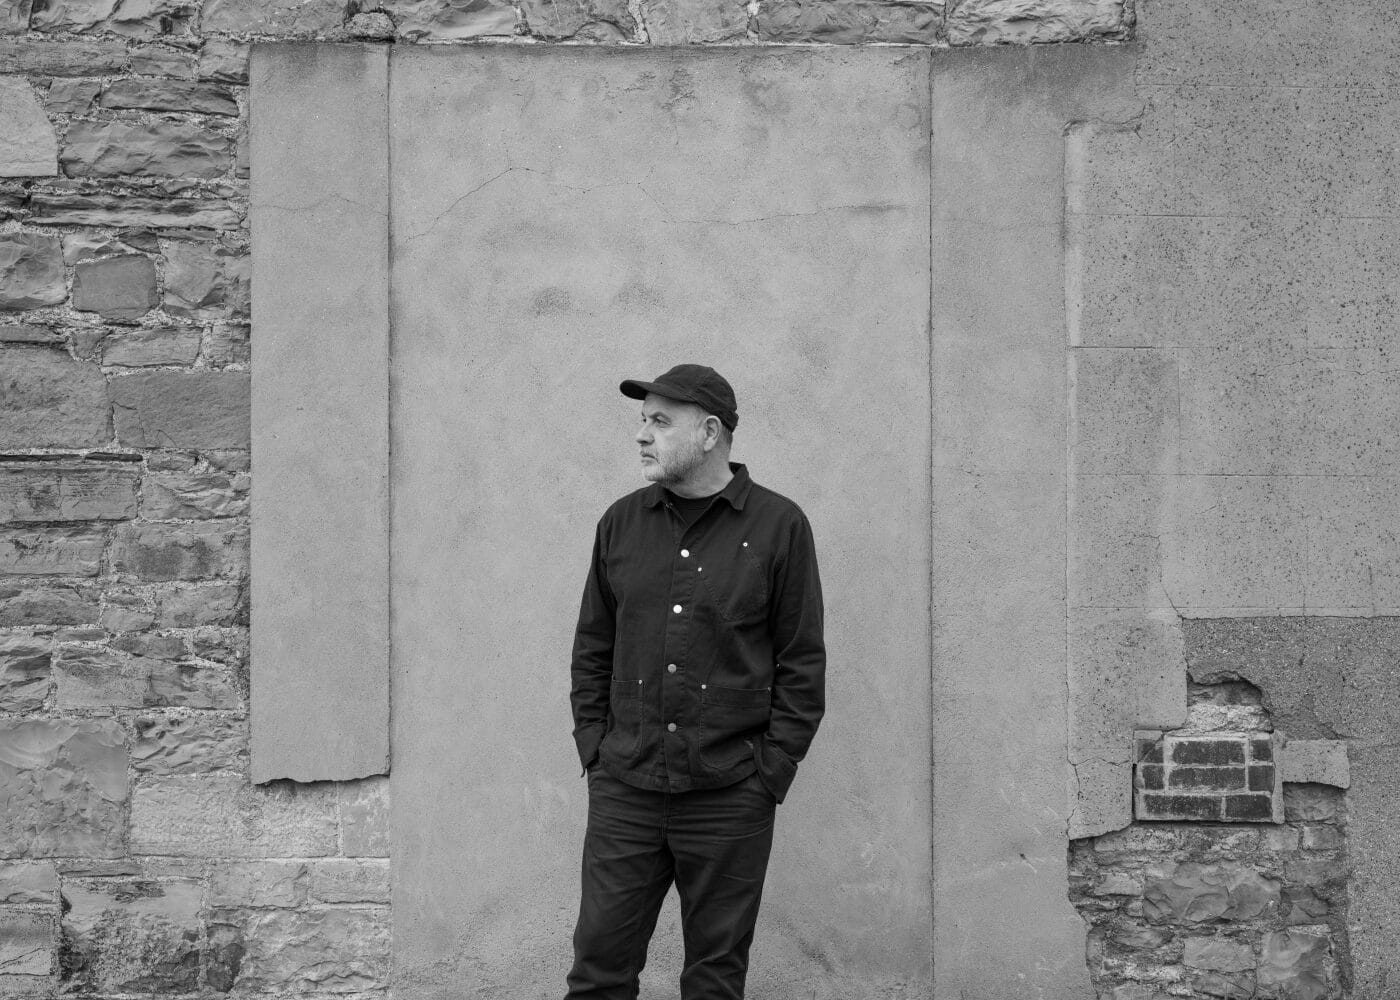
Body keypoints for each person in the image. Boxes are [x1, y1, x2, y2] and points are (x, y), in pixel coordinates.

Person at [565, 363, 826, 1000]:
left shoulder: (778, 527)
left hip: (729, 793)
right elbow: (593, 649)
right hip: (626, 789)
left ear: (710, 433)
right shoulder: (620, 524)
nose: (642, 436)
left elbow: (802, 664)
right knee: (598, 973)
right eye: (642, 421)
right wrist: (596, 751)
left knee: (713, 980)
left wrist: (771, 773)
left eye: (660, 421)